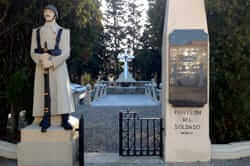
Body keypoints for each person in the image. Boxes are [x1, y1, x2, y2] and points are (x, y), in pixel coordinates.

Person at [30, 4, 75, 132]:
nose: (47, 13)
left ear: (55, 14)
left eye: (50, 11)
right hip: (42, 66)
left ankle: (64, 118)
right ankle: (45, 118)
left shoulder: (64, 32)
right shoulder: (36, 32)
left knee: (61, 92)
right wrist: (41, 60)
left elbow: (66, 52)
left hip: (58, 67)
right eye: (45, 11)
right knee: (43, 92)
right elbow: (32, 51)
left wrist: (53, 62)